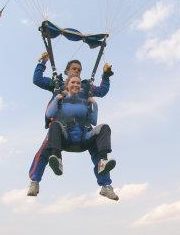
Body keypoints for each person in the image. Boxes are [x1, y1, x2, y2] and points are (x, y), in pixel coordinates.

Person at [28, 52, 113, 196]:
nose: (77, 71)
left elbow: (102, 91)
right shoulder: (57, 84)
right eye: (74, 69)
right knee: (44, 151)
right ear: (67, 71)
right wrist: (42, 62)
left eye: (79, 70)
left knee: (99, 149)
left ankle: (106, 186)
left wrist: (105, 76)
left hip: (83, 133)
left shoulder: (85, 87)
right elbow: (37, 80)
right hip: (62, 133)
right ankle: (35, 182)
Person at [40, 74, 118, 200]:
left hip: (83, 140)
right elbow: (49, 114)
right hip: (67, 139)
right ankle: (57, 159)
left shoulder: (84, 102)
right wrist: (56, 99)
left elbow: (93, 121)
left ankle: (103, 161)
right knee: (54, 125)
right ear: (67, 85)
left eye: (78, 83)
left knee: (104, 127)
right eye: (73, 82)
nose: (76, 85)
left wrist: (94, 105)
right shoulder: (61, 100)